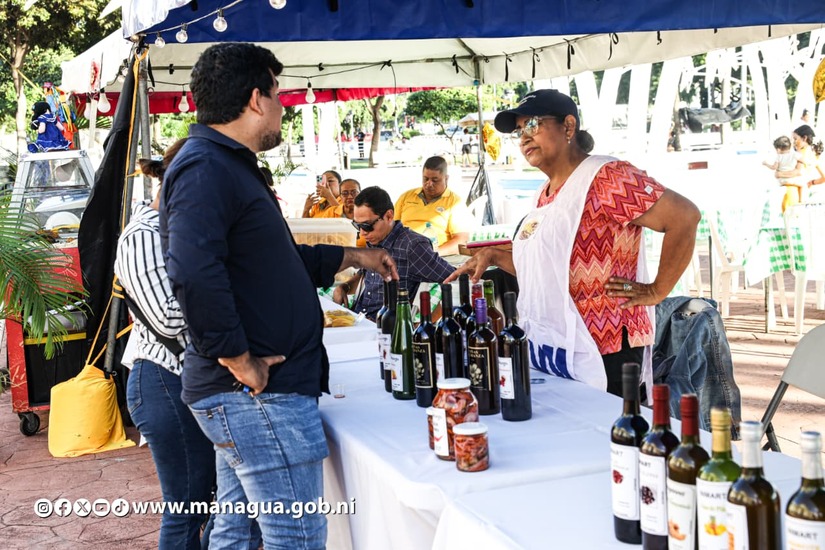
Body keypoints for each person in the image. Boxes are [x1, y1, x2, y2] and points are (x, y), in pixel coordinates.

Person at [159, 43, 398, 548]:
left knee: (237, 528)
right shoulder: (205, 167)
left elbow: (275, 263)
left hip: (252, 394)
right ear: (254, 99)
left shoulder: (229, 164)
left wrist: (355, 257)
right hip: (256, 393)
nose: (283, 106)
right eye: (278, 94)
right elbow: (193, 272)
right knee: (298, 535)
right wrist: (239, 358)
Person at [446, 89, 701, 398]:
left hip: (607, 346)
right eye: (518, 131)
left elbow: (684, 217)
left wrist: (657, 290)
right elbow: (549, 266)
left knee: (611, 437)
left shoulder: (607, 177)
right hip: (558, 344)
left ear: (568, 127)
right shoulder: (546, 192)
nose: (523, 137)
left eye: (533, 125)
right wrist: (496, 256)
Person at [114, 140, 216, 549]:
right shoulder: (141, 237)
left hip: (191, 379)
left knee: (206, 501)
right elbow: (169, 317)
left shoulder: (187, 229)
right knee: (187, 507)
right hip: (163, 381)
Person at [334, 186, 455, 319]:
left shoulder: (412, 246)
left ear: (389, 216)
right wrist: (345, 287)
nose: (362, 233)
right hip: (358, 317)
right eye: (357, 226)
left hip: (385, 327)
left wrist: (421, 323)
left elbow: (452, 277)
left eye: (367, 226)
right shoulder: (374, 238)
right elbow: (364, 273)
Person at [393, 156, 473, 256]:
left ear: (446, 178)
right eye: (425, 179)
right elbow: (391, 228)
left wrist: (432, 253)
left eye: (435, 180)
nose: (429, 184)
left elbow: (461, 240)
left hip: (436, 256)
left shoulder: (454, 202)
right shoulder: (406, 197)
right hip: (403, 253)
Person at [775, 125, 824, 208]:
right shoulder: (815, 155)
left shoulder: (800, 154)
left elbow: (798, 171)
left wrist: (779, 174)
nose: (793, 142)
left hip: (790, 192)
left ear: (804, 138)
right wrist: (812, 182)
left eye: (795, 139)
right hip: (803, 195)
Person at [316, 178, 366, 247]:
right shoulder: (331, 213)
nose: (350, 196)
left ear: (361, 194)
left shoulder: (368, 213)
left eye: (354, 192)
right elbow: (321, 236)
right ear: (340, 196)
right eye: (345, 193)